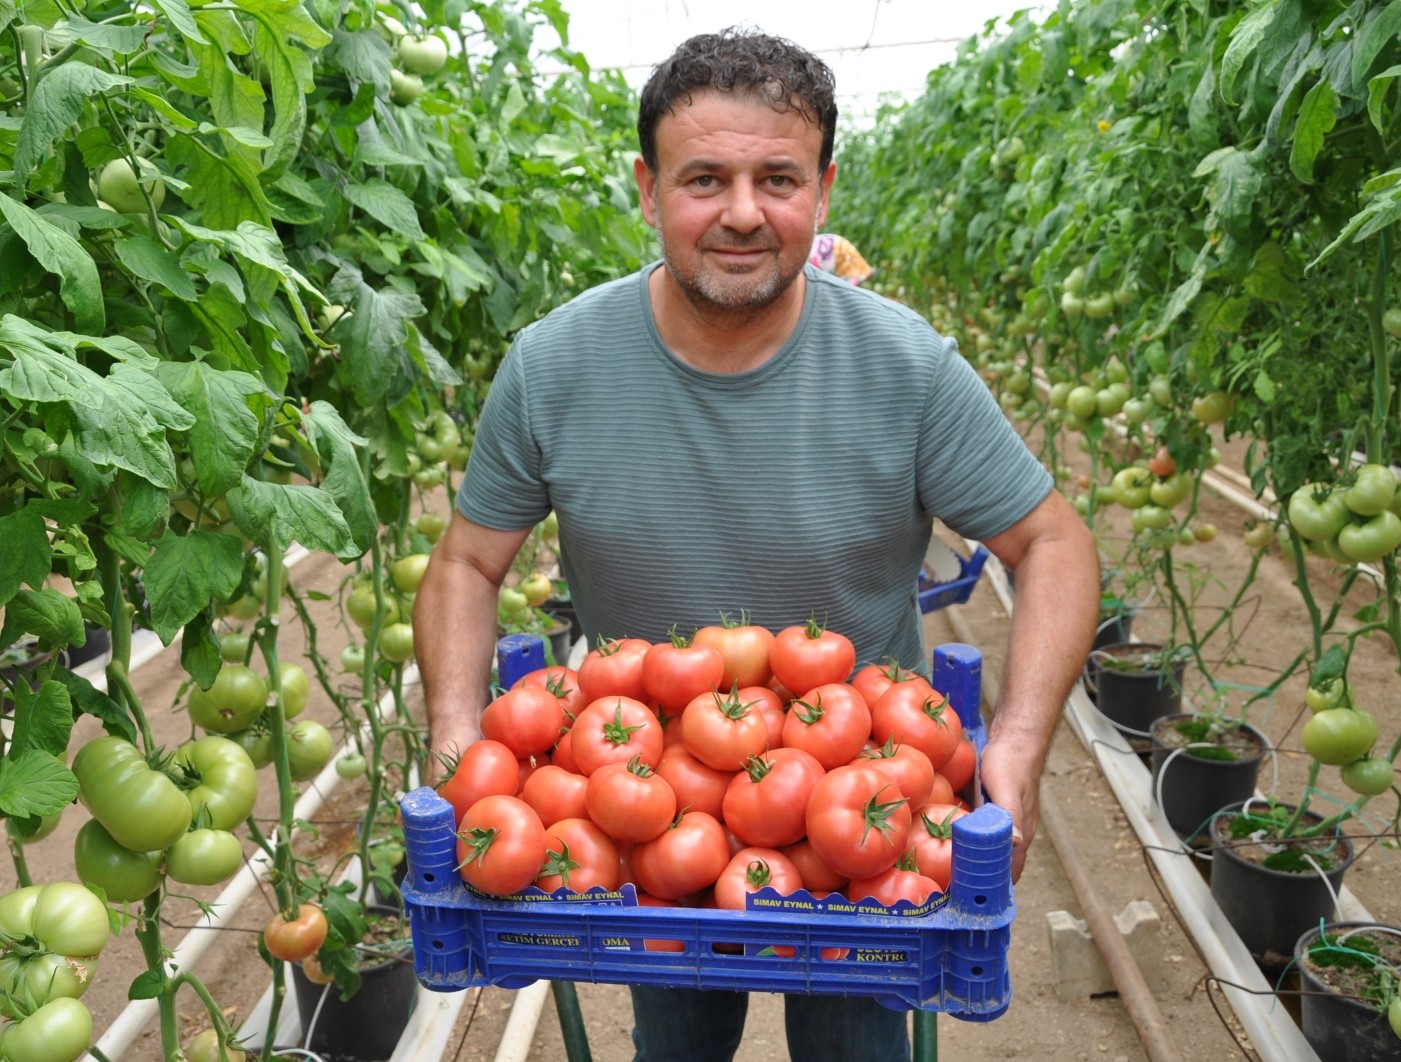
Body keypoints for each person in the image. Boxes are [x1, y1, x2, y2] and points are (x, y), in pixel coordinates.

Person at [413, 26, 1099, 1062]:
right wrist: (456, 729)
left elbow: (1049, 543)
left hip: (860, 802)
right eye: (704, 179)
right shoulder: (553, 365)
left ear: (821, 192)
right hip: (638, 812)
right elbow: (468, 564)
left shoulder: (904, 366)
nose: (741, 212)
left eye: (776, 177)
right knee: (677, 1037)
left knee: (856, 1047)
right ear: (647, 191)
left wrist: (1017, 743)